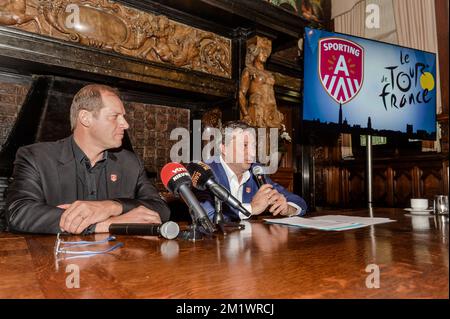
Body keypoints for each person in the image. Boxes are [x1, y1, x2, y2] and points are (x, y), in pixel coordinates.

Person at [5, 84, 170, 234]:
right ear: (85, 118)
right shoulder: (37, 157)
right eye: (115, 116)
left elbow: (161, 209)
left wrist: (112, 207)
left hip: (118, 262)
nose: (125, 124)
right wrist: (106, 225)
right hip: (54, 263)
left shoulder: (130, 163)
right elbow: (18, 212)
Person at [197, 121, 307, 222]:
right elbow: (206, 215)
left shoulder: (255, 171)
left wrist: (288, 208)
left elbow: (299, 202)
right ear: (224, 149)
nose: (252, 154)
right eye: (245, 145)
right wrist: (251, 208)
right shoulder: (205, 171)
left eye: (253, 146)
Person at [239, 36, 284, 129]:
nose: (265, 54)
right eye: (262, 51)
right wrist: (245, 114)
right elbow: (241, 93)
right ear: (256, 53)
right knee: (258, 139)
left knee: (273, 140)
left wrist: (276, 110)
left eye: (266, 52)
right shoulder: (249, 70)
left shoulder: (269, 74)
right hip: (257, 108)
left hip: (271, 108)